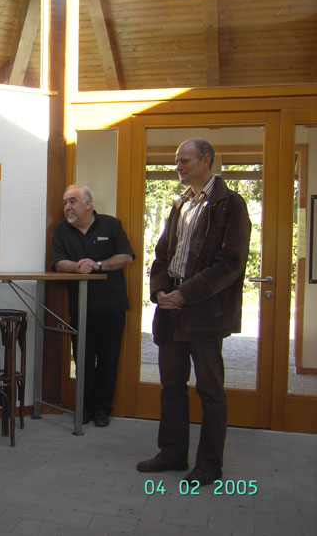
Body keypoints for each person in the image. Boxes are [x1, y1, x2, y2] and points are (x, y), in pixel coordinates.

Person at [137, 138, 251, 485]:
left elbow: (230, 264)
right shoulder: (179, 204)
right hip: (171, 309)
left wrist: (185, 294)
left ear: (206, 161)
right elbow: (161, 255)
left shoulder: (231, 204)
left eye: (184, 161)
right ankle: (172, 453)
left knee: (210, 391)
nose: (178, 167)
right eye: (176, 161)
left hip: (204, 312)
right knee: (171, 384)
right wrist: (160, 292)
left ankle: (209, 465)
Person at [52, 185, 135, 427]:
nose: (68, 206)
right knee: (83, 361)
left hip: (112, 307)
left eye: (73, 201)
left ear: (88, 204)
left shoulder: (111, 225)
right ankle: (85, 409)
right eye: (65, 202)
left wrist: (97, 265)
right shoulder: (61, 229)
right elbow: (58, 263)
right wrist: (78, 266)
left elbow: (126, 257)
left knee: (108, 362)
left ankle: (102, 411)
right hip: (81, 308)